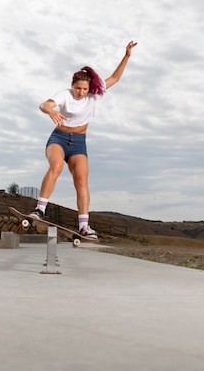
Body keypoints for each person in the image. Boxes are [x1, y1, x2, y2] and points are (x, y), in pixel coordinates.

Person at [29, 41, 138, 240]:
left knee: (81, 180)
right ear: (73, 86)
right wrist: (51, 110)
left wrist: (127, 56)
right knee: (56, 167)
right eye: (78, 88)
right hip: (59, 139)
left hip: (79, 142)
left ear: (89, 89)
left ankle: (84, 226)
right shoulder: (65, 95)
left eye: (84, 89)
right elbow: (44, 105)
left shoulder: (94, 96)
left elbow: (115, 78)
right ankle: (39, 209)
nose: (80, 93)